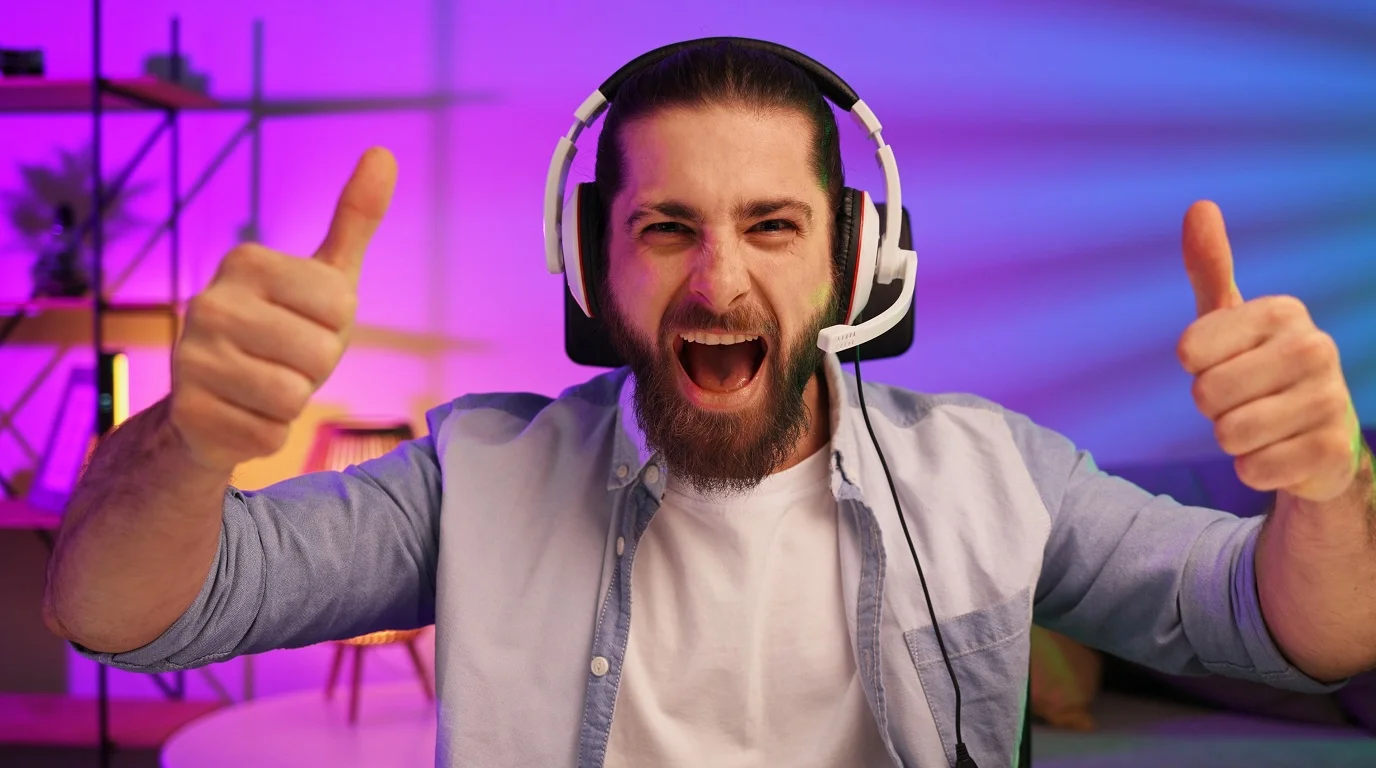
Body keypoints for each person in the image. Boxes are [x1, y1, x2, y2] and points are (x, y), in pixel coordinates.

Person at [41, 40, 1375, 768]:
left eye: (773, 225)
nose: (718, 279)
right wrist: (193, 437)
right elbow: (114, 615)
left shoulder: (998, 477)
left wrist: (1325, 485)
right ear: (593, 267)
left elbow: (1297, 630)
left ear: (856, 260)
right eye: (668, 227)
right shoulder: (480, 481)